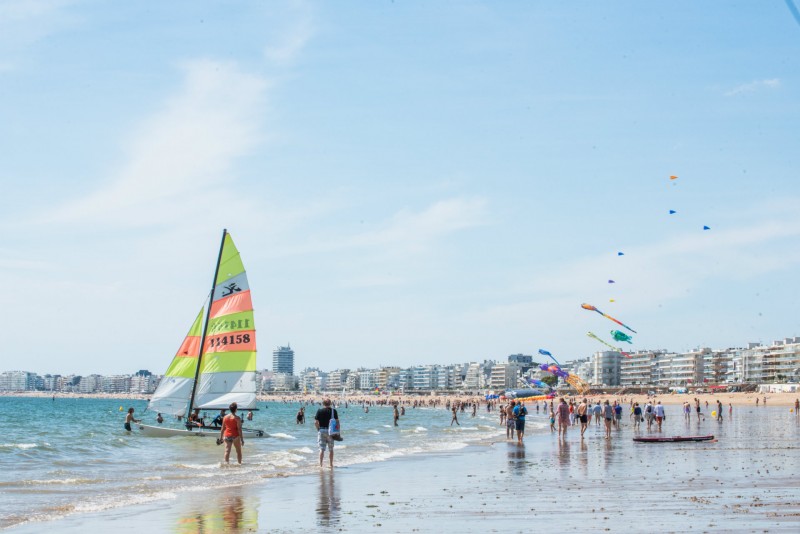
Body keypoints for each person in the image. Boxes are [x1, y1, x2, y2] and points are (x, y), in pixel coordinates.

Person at [314, 399, 339, 469]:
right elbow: (337, 422)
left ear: (323, 404)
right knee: (331, 449)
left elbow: (315, 422)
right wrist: (338, 432)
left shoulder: (319, 411)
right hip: (331, 432)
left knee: (321, 449)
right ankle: (331, 464)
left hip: (321, 430)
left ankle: (321, 465)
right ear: (330, 403)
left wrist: (318, 429)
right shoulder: (334, 411)